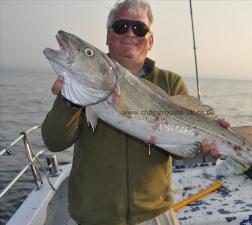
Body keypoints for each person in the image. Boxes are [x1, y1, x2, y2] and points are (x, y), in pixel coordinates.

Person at [42, 0, 229, 225]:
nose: (130, 34)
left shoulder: (170, 82)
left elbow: (181, 152)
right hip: (92, 217)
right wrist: (68, 100)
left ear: (150, 40)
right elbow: (54, 142)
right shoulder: (79, 86)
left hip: (154, 215)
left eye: (139, 28)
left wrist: (203, 144)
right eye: (121, 26)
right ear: (108, 37)